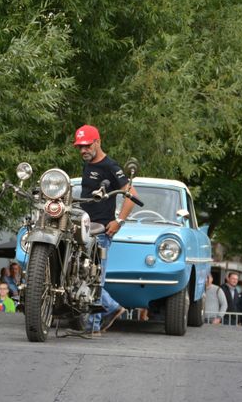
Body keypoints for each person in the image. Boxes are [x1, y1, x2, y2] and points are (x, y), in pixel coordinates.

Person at [72, 124, 138, 335]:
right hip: (84, 228)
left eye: (87, 146)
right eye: (80, 147)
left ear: (97, 142)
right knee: (82, 276)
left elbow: (132, 194)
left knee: (94, 278)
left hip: (101, 231)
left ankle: (94, 326)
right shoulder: (88, 164)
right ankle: (110, 309)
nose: (83, 150)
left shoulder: (110, 166)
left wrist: (119, 220)